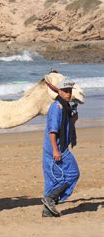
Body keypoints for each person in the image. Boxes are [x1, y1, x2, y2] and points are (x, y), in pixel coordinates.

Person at [41, 77, 80, 217]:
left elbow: (67, 125)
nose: (69, 94)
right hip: (56, 149)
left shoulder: (65, 105)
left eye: (70, 91)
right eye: (66, 91)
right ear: (60, 92)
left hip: (61, 147)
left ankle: (47, 212)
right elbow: (53, 131)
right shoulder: (56, 107)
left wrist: (73, 120)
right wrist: (55, 150)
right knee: (73, 173)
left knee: (53, 179)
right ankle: (50, 198)